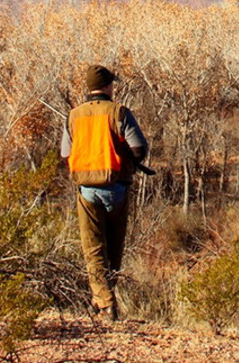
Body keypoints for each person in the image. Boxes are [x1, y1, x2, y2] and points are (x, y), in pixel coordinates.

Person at [60, 64, 149, 322]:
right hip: (118, 188)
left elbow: (66, 153)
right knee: (115, 248)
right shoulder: (119, 112)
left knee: (94, 249)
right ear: (109, 86)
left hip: (87, 191)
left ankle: (104, 303)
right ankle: (107, 301)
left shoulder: (73, 116)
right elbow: (139, 148)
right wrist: (128, 163)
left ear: (89, 88)